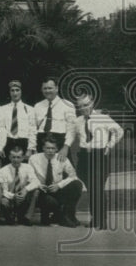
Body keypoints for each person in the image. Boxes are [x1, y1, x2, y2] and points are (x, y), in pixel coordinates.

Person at [74, 94, 124, 230]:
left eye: (86, 104)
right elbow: (73, 136)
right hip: (84, 157)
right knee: (91, 189)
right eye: (81, 106)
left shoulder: (103, 118)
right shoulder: (78, 121)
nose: (84, 108)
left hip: (99, 155)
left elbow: (119, 131)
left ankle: (101, 221)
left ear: (92, 103)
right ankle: (95, 218)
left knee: (97, 188)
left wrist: (109, 145)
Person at [29, 137, 84, 227]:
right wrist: (39, 185)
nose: (50, 151)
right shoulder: (34, 159)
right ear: (43, 148)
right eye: (48, 148)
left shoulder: (62, 158)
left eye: (53, 148)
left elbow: (73, 175)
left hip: (57, 189)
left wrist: (59, 185)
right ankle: (59, 216)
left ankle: (67, 216)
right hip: (42, 190)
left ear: (57, 149)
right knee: (49, 202)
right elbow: (30, 176)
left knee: (77, 185)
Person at [33, 78, 78, 163]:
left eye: (50, 88)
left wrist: (66, 147)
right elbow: (33, 128)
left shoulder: (67, 105)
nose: (47, 91)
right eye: (45, 88)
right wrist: (33, 147)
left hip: (59, 142)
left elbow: (72, 129)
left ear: (56, 88)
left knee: (64, 172)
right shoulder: (37, 106)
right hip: (41, 142)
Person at [0, 145, 39, 226]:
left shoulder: (28, 167)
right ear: (9, 157)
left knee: (36, 191)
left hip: (23, 197)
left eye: (18, 157)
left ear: (22, 158)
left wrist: (25, 190)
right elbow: (4, 191)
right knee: (3, 201)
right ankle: (9, 218)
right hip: (10, 198)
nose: (16, 160)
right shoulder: (3, 170)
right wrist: (13, 196)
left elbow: (36, 182)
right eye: (13, 157)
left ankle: (27, 218)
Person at [0, 80, 36, 158]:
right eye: (12, 90)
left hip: (23, 143)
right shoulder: (3, 109)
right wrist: (0, 147)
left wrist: (30, 148)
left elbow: (32, 130)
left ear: (21, 91)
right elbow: (1, 130)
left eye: (17, 90)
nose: (15, 93)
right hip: (8, 142)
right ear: (9, 92)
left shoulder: (29, 109)